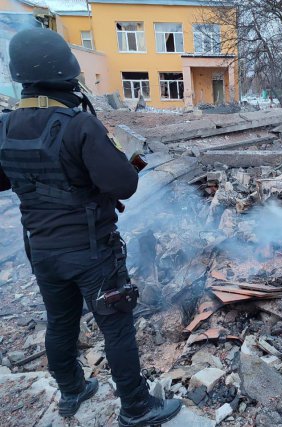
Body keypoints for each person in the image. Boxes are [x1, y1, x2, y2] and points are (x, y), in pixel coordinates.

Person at [0, 28, 181, 426]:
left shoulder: (4, 126)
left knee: (60, 320)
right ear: (67, 71)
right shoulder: (79, 125)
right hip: (92, 251)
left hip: (43, 251)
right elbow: (124, 185)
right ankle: (135, 406)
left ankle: (71, 390)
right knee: (116, 327)